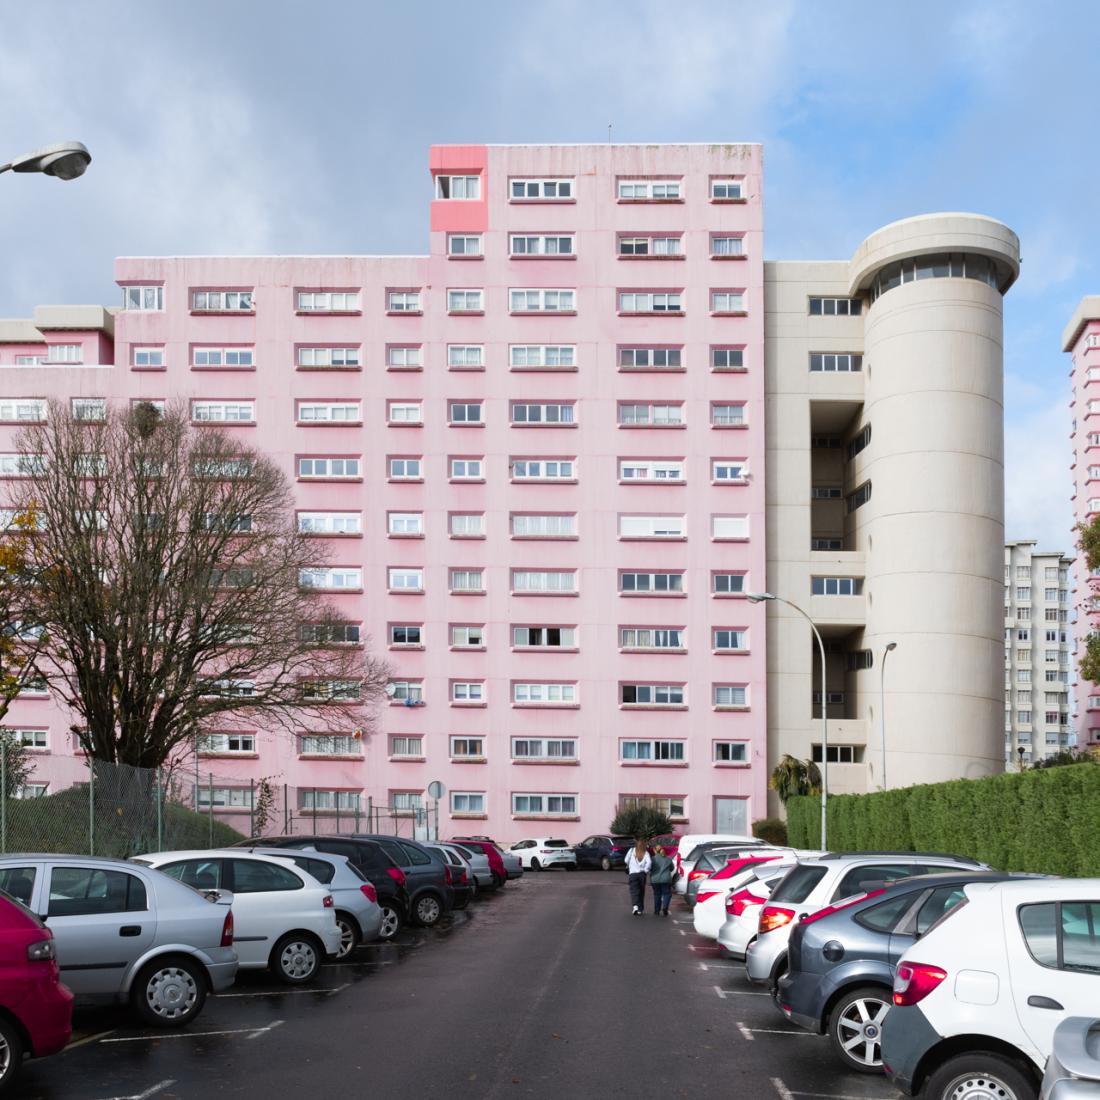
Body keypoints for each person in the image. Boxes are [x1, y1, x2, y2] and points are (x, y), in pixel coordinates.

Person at [625, 839, 651, 915]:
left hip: (633, 874)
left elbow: (626, 860)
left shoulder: (631, 850)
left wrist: (631, 864)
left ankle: (635, 906)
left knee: (634, 891)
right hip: (642, 874)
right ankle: (640, 909)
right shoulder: (646, 853)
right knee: (641, 891)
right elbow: (649, 862)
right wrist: (645, 870)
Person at [649, 845, 675, 916]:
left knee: (657, 894)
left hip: (655, 879)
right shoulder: (668, 858)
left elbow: (649, 868)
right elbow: (672, 868)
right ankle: (665, 907)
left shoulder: (653, 859)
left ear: (655, 850)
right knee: (667, 894)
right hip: (666, 879)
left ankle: (657, 911)